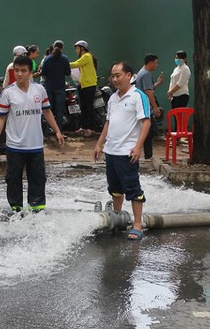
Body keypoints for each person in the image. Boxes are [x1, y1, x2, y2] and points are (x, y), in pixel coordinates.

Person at [0, 55, 65, 212]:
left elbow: (47, 112)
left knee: (37, 180)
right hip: (15, 146)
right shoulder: (8, 93)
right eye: (16, 70)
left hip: (35, 146)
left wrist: (57, 131)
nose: (19, 74)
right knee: (13, 180)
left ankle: (36, 212)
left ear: (30, 72)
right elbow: (1, 118)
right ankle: (16, 210)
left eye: (23, 71)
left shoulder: (40, 90)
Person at [93, 61, 151, 241]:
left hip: (127, 152)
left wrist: (138, 146)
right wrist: (99, 144)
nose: (115, 79)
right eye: (113, 76)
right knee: (115, 189)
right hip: (111, 151)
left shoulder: (138, 96)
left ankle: (137, 224)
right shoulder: (112, 98)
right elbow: (108, 123)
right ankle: (117, 219)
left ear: (129, 75)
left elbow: (146, 122)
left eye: (118, 75)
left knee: (133, 189)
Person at [134, 54, 164, 160]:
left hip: (141, 106)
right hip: (145, 107)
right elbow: (148, 92)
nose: (156, 65)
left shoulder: (141, 72)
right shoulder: (146, 74)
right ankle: (148, 156)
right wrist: (155, 108)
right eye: (156, 63)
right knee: (149, 133)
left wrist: (157, 84)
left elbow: (148, 88)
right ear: (150, 63)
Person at [41, 40, 71, 132]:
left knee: (48, 110)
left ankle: (47, 131)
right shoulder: (65, 59)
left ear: (53, 47)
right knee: (59, 111)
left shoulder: (47, 59)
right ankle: (59, 132)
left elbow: (43, 73)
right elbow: (68, 72)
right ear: (62, 48)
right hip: (60, 87)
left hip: (49, 87)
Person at [70, 40, 98, 137]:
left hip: (89, 86)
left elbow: (75, 64)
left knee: (89, 107)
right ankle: (85, 127)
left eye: (77, 48)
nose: (76, 51)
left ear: (82, 48)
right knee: (84, 108)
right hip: (83, 85)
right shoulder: (85, 57)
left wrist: (63, 64)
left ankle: (92, 128)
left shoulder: (86, 56)